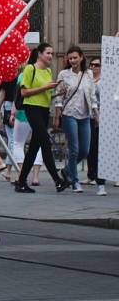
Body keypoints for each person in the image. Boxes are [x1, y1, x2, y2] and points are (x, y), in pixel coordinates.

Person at [14, 44, 70, 193]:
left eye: (52, 53)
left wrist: (57, 93)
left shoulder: (48, 71)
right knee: (45, 143)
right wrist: (45, 87)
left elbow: (45, 95)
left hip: (44, 109)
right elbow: (25, 92)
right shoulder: (30, 69)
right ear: (39, 54)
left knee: (33, 148)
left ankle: (20, 182)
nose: (51, 56)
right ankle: (58, 181)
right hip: (32, 109)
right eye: (48, 53)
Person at [54, 46, 98, 193]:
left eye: (75, 57)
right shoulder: (63, 74)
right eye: (70, 58)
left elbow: (92, 95)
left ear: (81, 57)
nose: (72, 60)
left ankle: (67, 170)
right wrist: (57, 113)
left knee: (84, 150)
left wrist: (96, 112)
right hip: (69, 113)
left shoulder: (88, 74)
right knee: (74, 149)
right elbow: (58, 96)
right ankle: (75, 181)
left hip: (85, 115)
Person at [86, 57, 106, 195]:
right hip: (88, 116)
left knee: (99, 148)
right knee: (90, 148)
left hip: (101, 118)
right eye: (91, 65)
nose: (94, 67)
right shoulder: (87, 80)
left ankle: (100, 175)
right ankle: (91, 175)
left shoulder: (104, 82)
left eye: (97, 65)